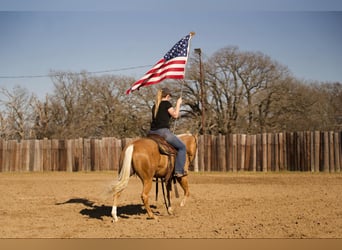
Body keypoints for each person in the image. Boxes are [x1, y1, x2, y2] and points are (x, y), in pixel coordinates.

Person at [149, 87, 187, 177]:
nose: (170, 98)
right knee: (182, 147)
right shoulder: (166, 103)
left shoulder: (155, 105)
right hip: (163, 132)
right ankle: (178, 171)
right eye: (170, 97)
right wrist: (178, 104)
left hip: (151, 133)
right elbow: (175, 115)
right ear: (167, 95)